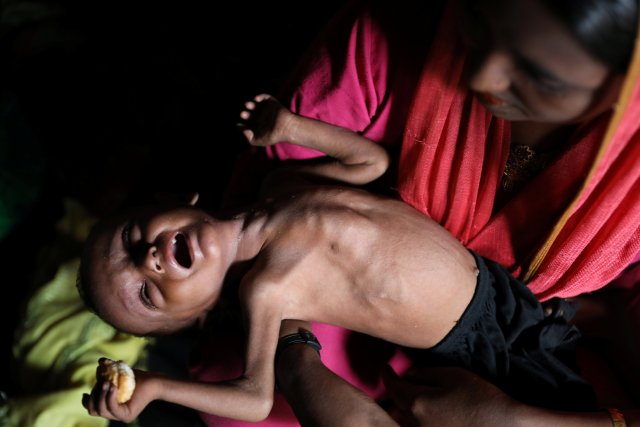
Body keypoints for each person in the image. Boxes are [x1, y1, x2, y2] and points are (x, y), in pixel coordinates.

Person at [192, 0, 640, 425]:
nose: (483, 77)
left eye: (541, 77)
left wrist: (517, 420)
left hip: (530, 357)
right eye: (477, 20)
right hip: (334, 295)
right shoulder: (392, 31)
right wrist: (297, 358)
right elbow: (266, 209)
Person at [78, 93, 595, 424]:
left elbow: (372, 161)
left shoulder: (279, 182)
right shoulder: (267, 291)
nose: (149, 259)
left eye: (129, 237)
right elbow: (256, 399)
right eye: (147, 291)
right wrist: (154, 387)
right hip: (475, 344)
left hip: (497, 283)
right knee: (582, 402)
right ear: (196, 314)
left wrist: (291, 127)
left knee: (590, 359)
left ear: (174, 201)